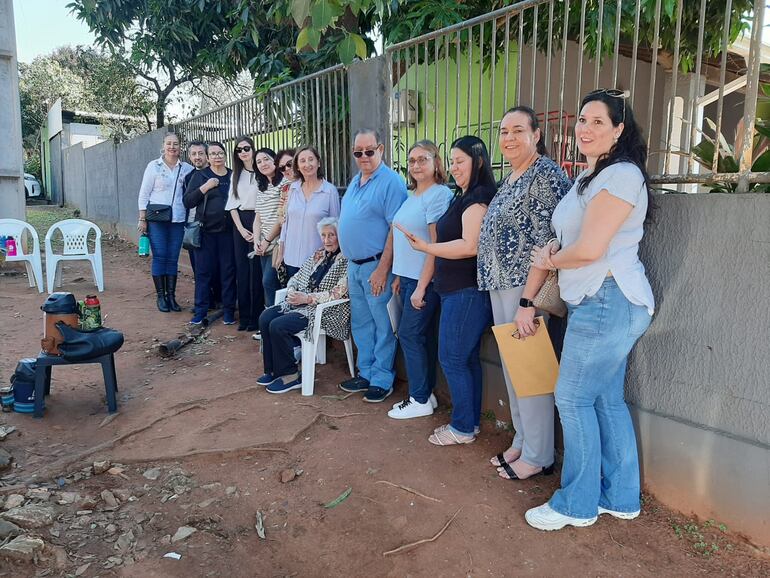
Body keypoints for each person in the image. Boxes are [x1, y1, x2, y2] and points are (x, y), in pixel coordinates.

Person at [522, 89, 654, 531]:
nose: (585, 128)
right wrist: (560, 249)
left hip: (606, 298)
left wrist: (550, 261)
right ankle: (620, 496)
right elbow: (578, 235)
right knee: (603, 399)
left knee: (572, 397)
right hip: (602, 300)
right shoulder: (591, 178)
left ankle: (576, 504)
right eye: (581, 120)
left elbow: (594, 248)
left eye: (598, 121)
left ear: (619, 130)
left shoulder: (620, 176)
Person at [477, 107, 572, 479]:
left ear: (536, 134)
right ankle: (523, 439)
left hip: (525, 288)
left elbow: (551, 239)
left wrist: (527, 302)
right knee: (515, 370)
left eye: (518, 130)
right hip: (501, 284)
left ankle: (539, 454)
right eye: (503, 131)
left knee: (530, 372)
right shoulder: (513, 176)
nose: (509, 138)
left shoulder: (544, 173)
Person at [396, 136, 496, 444]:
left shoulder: (477, 198)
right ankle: (470, 424)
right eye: (452, 161)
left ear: (477, 162)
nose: (455, 168)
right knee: (463, 359)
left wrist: (427, 247)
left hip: (466, 291)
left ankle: (462, 428)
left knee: (452, 358)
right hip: (456, 290)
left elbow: (469, 246)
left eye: (460, 161)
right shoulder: (462, 194)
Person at [337, 129, 407, 403]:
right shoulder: (356, 181)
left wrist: (382, 270)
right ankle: (365, 373)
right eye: (358, 152)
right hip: (354, 266)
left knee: (382, 324)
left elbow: (395, 228)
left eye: (369, 151)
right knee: (362, 324)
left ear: (380, 149)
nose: (363, 157)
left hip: (376, 266)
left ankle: (381, 378)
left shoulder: (391, 182)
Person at [388, 140, 452, 420]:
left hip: (425, 282)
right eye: (411, 161)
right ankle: (426, 395)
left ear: (436, 162)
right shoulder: (412, 195)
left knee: (410, 336)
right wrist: (400, 276)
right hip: (410, 279)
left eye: (422, 159)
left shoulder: (438, 195)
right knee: (418, 338)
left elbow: (435, 244)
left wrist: (423, 286)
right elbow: (405, 239)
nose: (415, 165)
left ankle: (419, 399)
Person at [257, 218, 349, 394]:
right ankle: (272, 370)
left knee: (278, 325)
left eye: (332, 235)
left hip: (324, 311)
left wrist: (307, 298)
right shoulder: (319, 254)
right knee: (265, 317)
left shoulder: (346, 260)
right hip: (301, 304)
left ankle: (291, 376)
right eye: (324, 235)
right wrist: (292, 291)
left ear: (340, 237)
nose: (327, 240)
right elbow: (297, 277)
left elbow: (338, 292)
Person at [182, 141, 237, 325]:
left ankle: (228, 311)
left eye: (220, 153)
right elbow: (188, 201)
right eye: (213, 154)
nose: (217, 157)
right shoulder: (201, 175)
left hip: (228, 233)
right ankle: (200, 311)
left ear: (224, 155)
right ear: (208, 157)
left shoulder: (232, 175)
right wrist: (205, 187)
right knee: (203, 273)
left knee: (228, 273)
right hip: (205, 233)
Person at [137, 132, 193, 312]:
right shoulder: (154, 166)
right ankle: (161, 296)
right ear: (163, 145)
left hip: (178, 219)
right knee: (160, 255)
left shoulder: (186, 169)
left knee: (173, 258)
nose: (172, 147)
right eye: (169, 143)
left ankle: (171, 296)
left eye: (175, 144)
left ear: (180, 147)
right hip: (157, 220)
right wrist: (142, 218)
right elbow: (144, 194)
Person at [276, 145, 341, 280]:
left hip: (317, 260)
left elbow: (336, 226)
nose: (307, 164)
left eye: (311, 159)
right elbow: (286, 224)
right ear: (297, 166)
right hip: (291, 259)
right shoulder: (292, 189)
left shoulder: (329, 191)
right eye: (302, 161)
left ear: (318, 163)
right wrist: (281, 252)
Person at [225, 136, 262, 331]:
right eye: (239, 150)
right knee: (242, 270)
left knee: (256, 271)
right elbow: (232, 204)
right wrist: (240, 229)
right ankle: (245, 317)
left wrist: (255, 230)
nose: (243, 152)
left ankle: (256, 317)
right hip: (240, 223)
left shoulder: (261, 171)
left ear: (253, 149)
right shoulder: (235, 174)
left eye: (246, 148)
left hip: (259, 220)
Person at [184, 141, 220, 309]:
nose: (197, 157)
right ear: (190, 156)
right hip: (193, 227)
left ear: (207, 155)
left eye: (200, 153)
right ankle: (205, 301)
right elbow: (188, 202)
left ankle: (219, 299)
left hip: (215, 228)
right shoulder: (189, 177)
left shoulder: (219, 174)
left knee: (216, 267)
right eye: (194, 154)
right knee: (198, 268)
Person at [251, 147, 285, 309]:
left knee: (270, 281)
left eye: (266, 159)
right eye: (258, 161)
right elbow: (258, 217)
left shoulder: (285, 184)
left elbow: (281, 219)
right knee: (267, 283)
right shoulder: (261, 187)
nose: (263, 163)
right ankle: (268, 323)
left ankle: (271, 322)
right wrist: (256, 241)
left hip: (277, 242)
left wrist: (266, 240)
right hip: (263, 244)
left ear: (275, 160)